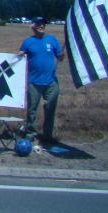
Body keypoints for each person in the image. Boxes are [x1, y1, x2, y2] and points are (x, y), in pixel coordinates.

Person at [17, 16, 64, 144]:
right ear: (33, 26)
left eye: (43, 24)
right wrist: (20, 54)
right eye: (38, 24)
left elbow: (60, 57)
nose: (41, 26)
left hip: (51, 81)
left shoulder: (52, 40)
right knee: (31, 110)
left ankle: (47, 135)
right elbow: (19, 57)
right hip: (33, 82)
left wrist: (62, 55)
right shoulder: (28, 42)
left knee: (50, 107)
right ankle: (30, 133)